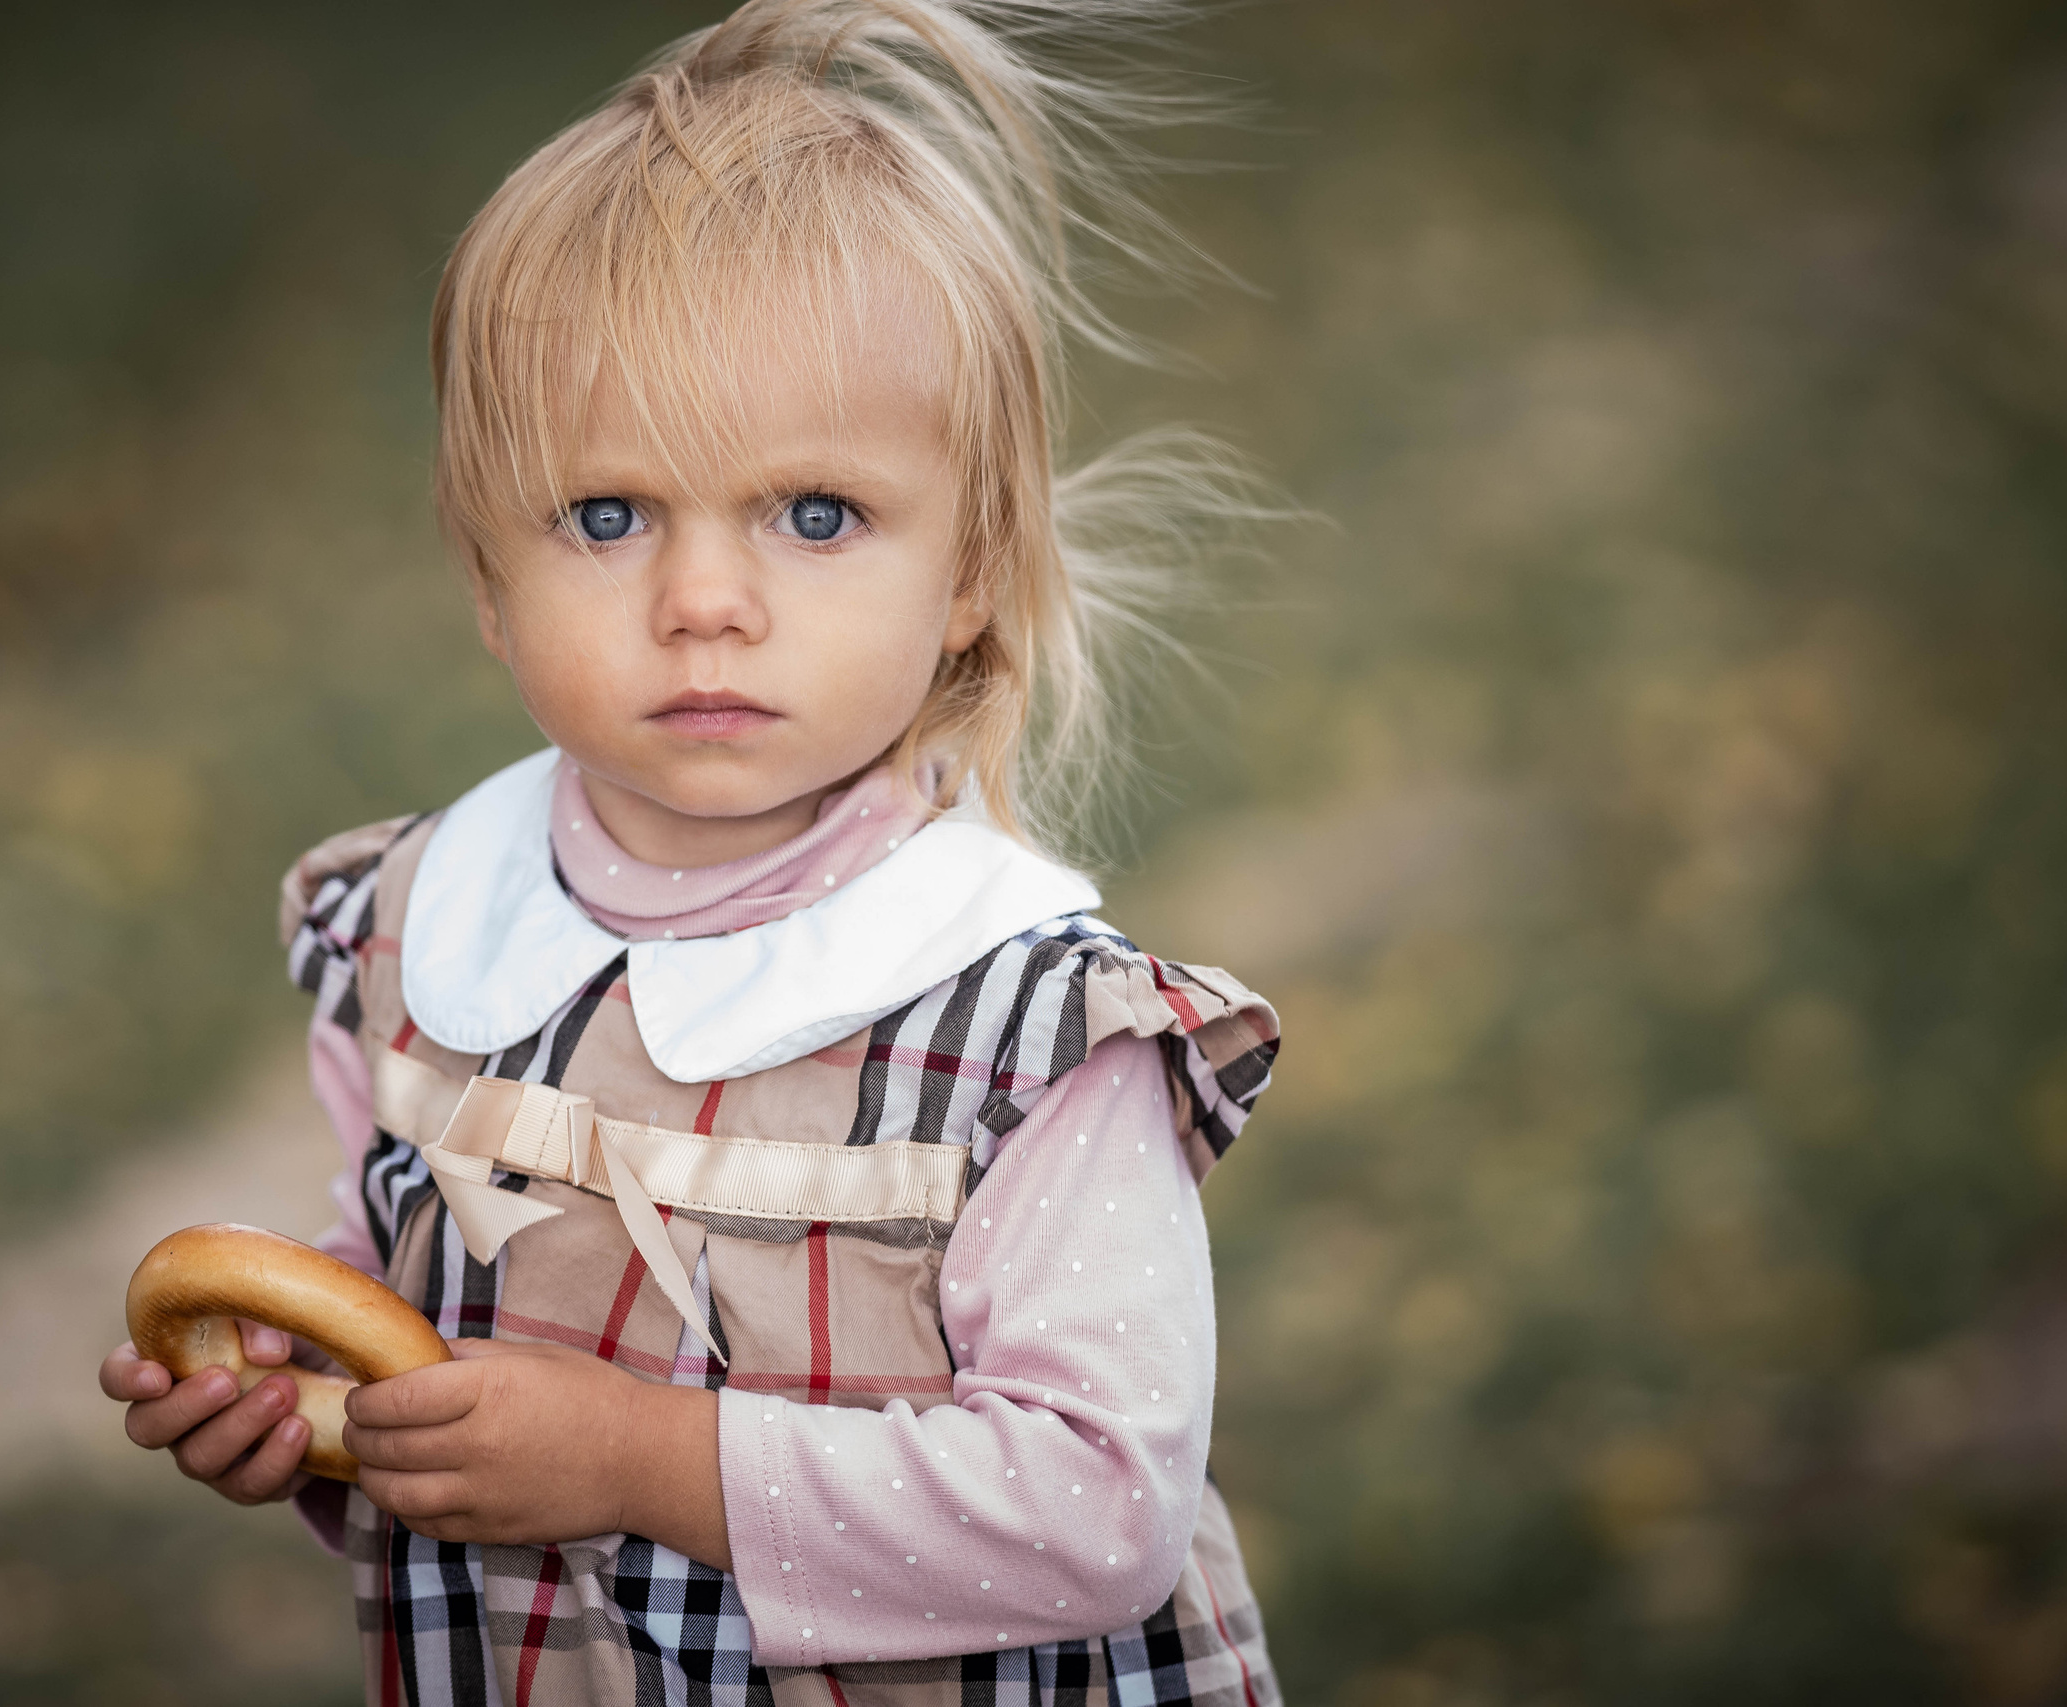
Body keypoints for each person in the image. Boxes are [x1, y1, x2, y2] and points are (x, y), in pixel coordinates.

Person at [100, 1, 1283, 1698]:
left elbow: (1105, 1510)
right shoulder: (420, 936)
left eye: (816, 515)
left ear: (967, 571)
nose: (704, 601)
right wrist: (306, 1410)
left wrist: (647, 1461)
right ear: (488, 583)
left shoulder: (1029, 1032)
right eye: (607, 515)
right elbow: (409, 1328)